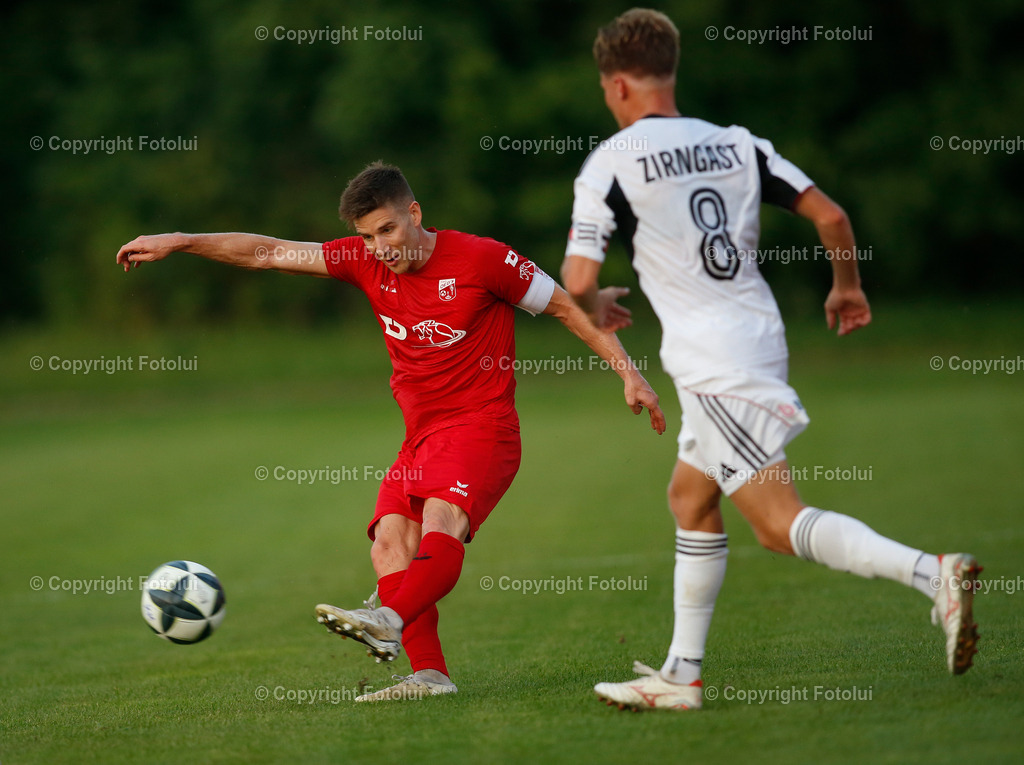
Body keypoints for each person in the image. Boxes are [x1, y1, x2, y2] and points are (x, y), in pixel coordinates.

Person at [116, 161, 665, 702]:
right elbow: (266, 252)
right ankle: (430, 675)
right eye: (367, 236)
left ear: (414, 213)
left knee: (439, 522)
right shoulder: (363, 261)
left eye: (388, 229)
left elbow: (569, 307)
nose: (380, 247)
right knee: (388, 546)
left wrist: (630, 374)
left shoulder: (482, 259)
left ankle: (387, 618)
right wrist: (182, 240)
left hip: (482, 427)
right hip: (421, 437)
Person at [560, 9, 980, 712]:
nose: (609, 99)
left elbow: (575, 279)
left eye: (607, 89)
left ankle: (933, 573)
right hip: (752, 336)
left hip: (713, 363)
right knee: (690, 498)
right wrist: (847, 287)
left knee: (777, 525)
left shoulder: (612, 161)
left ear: (622, 85)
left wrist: (597, 300)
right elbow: (832, 217)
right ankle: (682, 674)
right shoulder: (736, 143)